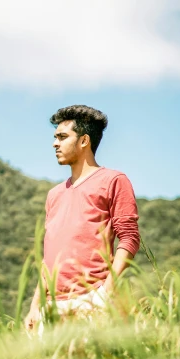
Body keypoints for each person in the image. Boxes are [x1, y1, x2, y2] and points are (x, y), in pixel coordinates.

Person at [24, 105, 140, 331]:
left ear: (84, 140)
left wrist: (106, 293)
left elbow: (129, 238)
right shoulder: (54, 195)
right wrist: (35, 305)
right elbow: (48, 259)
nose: (55, 143)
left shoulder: (114, 180)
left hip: (91, 298)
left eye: (62, 137)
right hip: (51, 307)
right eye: (55, 137)